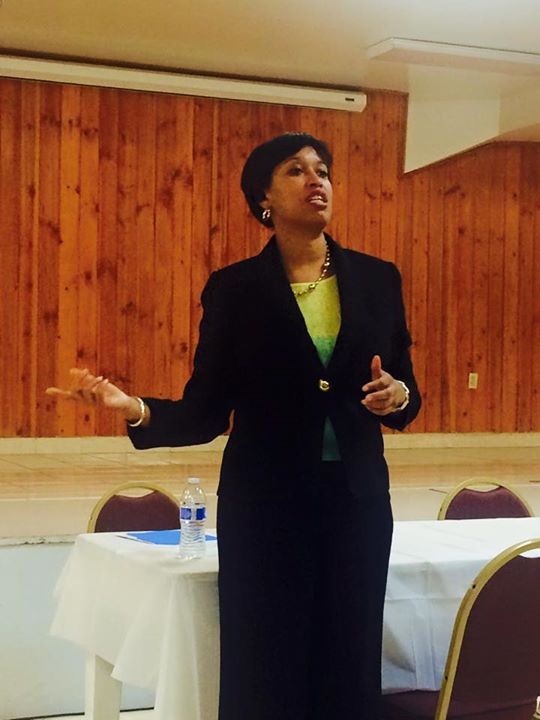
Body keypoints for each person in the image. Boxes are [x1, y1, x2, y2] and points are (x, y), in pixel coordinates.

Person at [47, 132, 421, 720]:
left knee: (349, 659)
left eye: (322, 170)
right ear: (264, 198)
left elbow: (405, 388)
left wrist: (397, 395)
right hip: (266, 506)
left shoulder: (378, 279)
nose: (316, 180)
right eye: (296, 170)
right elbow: (204, 410)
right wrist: (135, 407)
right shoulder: (235, 289)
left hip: (357, 503)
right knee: (263, 663)